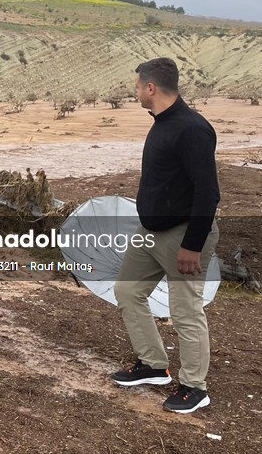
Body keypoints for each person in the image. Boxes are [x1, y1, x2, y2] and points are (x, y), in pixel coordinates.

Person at [111, 57, 220, 414]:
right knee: (127, 290)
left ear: (151, 87)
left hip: (184, 234)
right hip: (151, 232)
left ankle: (194, 387)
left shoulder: (192, 129)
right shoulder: (162, 123)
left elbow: (208, 192)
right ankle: (154, 365)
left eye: (138, 85)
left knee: (185, 310)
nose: (136, 91)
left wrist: (192, 245)